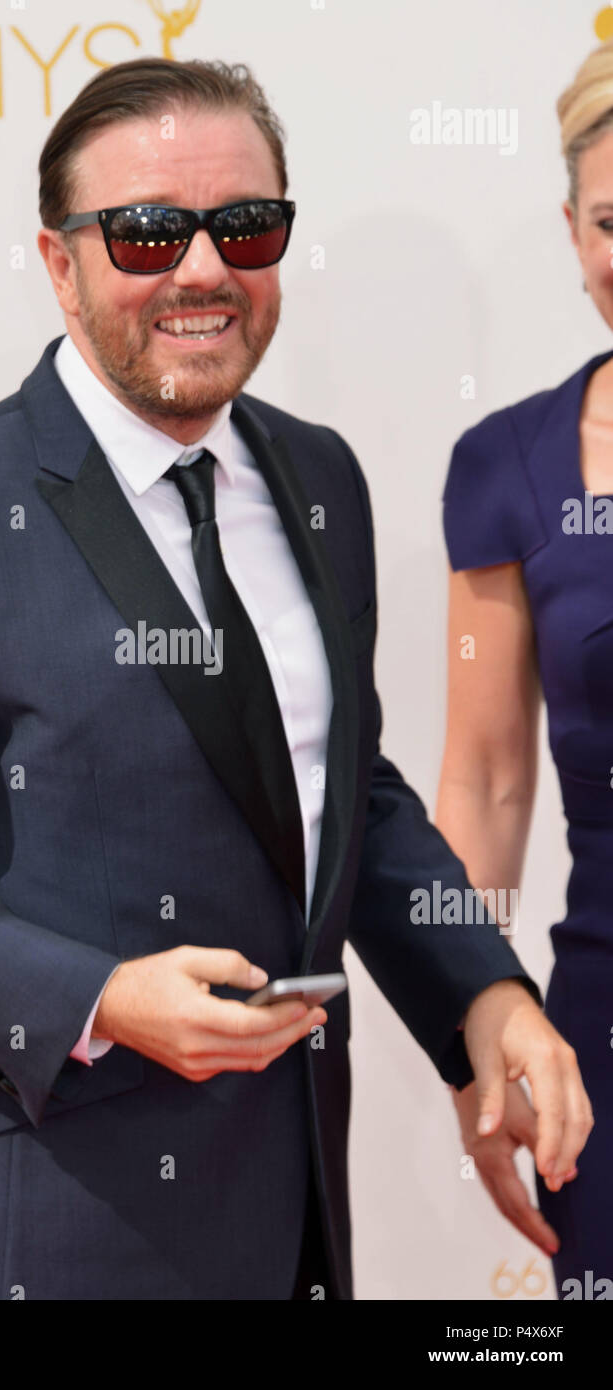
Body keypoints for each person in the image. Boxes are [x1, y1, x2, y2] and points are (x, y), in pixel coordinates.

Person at [0, 57, 591, 1302]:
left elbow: (340, 790)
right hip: (37, 1232)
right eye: (148, 233)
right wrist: (96, 996)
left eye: (243, 227)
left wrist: (481, 993)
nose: (201, 269)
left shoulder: (319, 480)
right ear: (60, 262)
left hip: (290, 1221)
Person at [437, 38, 613, 1300]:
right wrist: (470, 1020)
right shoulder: (510, 461)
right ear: (568, 229)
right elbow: (488, 783)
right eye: (611, 220)